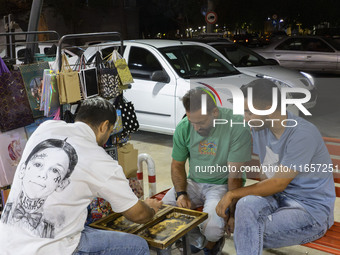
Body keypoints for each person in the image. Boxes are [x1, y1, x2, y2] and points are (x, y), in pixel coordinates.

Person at [0, 97, 162, 255]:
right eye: (111, 131)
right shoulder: (99, 160)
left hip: (7, 243)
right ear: (105, 126)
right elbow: (138, 215)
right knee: (138, 246)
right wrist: (151, 210)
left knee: (86, 228)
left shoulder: (45, 128)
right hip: (49, 249)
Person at [216, 79, 336, 255]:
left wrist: (232, 194)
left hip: (309, 211)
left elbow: (278, 183)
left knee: (247, 231)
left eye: (249, 112)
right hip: (278, 200)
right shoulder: (261, 128)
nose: (245, 118)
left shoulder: (302, 134)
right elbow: (267, 174)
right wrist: (237, 212)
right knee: (246, 206)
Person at [162, 88, 252, 255]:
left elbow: (235, 177)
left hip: (222, 185)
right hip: (194, 182)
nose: (196, 128)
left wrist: (233, 214)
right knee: (164, 211)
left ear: (215, 112)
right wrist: (181, 193)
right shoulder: (184, 127)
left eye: (201, 122)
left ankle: (211, 244)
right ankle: (198, 239)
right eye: (192, 121)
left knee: (212, 229)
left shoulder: (236, 126)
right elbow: (177, 165)